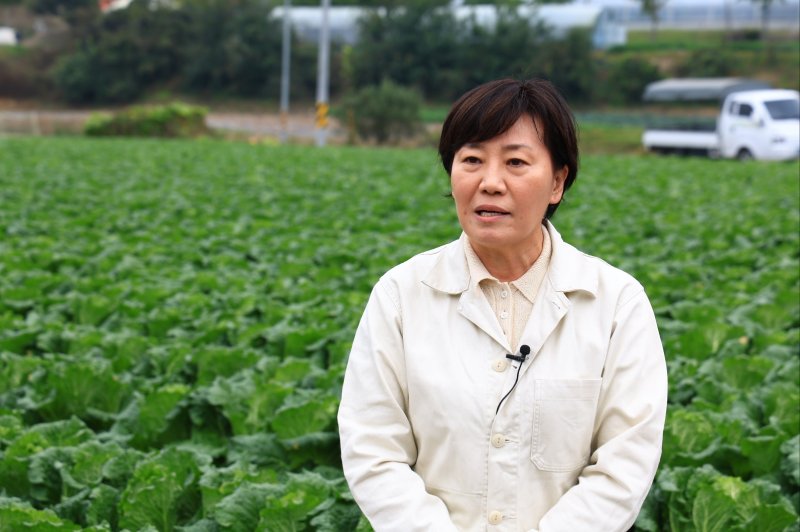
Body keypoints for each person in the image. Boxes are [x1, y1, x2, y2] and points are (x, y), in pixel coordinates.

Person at [337, 78, 668, 532]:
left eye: (515, 162)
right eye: (471, 160)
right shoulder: (400, 295)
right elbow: (373, 451)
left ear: (557, 182)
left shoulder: (615, 303)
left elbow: (624, 464)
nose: (490, 183)